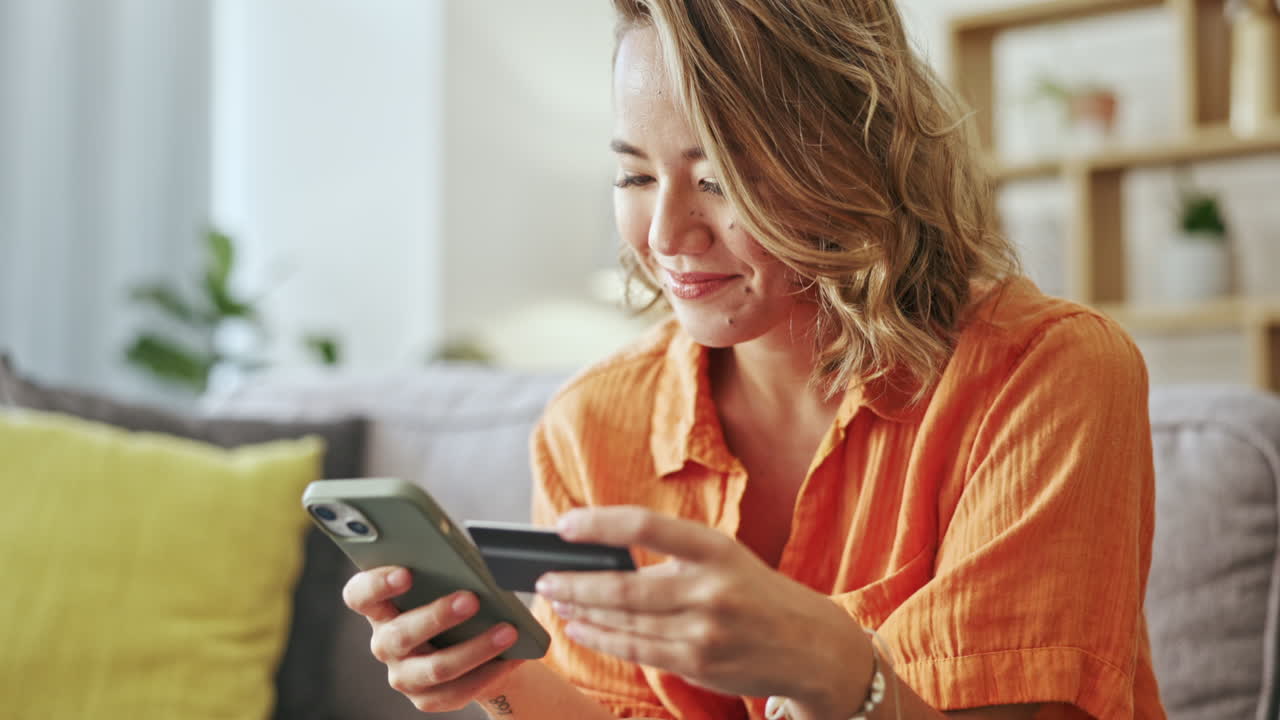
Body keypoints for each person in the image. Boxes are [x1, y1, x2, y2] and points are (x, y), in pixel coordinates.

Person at [343, 1, 1167, 718]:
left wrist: (836, 672)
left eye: (719, 179)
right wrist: (497, 675)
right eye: (634, 176)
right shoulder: (592, 425)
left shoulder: (1047, 376)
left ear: (851, 151)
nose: (667, 236)